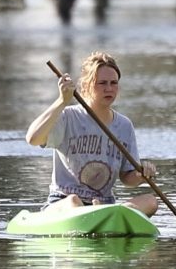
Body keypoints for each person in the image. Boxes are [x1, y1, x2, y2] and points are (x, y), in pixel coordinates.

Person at [25, 51, 159, 216]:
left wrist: (141, 175)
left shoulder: (124, 125)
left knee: (150, 201)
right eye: (102, 83)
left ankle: (105, 214)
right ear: (86, 86)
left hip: (103, 203)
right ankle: (98, 215)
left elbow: (127, 178)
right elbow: (32, 138)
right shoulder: (68, 117)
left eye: (113, 83)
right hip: (63, 201)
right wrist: (62, 100)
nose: (109, 89)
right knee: (74, 201)